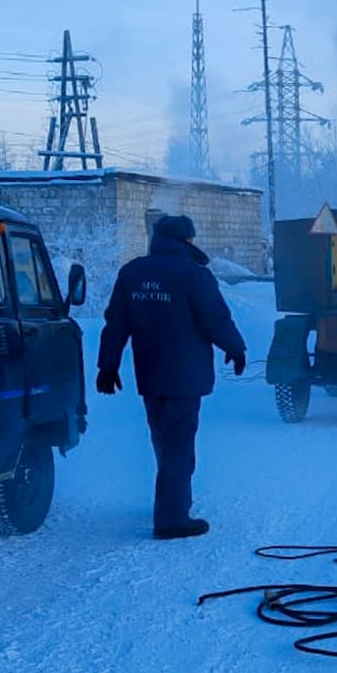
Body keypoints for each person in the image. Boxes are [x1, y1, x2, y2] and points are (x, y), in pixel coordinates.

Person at [96, 214, 247, 539]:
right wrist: (236, 348)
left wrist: (107, 365)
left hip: (150, 374)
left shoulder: (132, 273)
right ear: (187, 240)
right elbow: (215, 319)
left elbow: (116, 324)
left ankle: (172, 501)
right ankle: (172, 517)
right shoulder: (194, 275)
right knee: (179, 443)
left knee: (164, 439)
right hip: (185, 375)